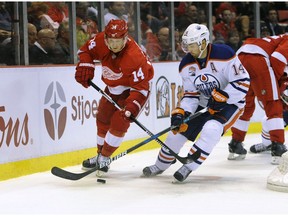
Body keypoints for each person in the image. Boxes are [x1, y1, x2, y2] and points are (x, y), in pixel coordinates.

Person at [142, 23, 250, 182]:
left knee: (211, 129)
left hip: (231, 103)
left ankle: (188, 166)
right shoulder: (186, 64)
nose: (188, 49)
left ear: (204, 42)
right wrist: (183, 112)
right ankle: (160, 165)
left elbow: (243, 81)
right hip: (204, 102)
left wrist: (225, 96)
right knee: (176, 132)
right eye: (186, 45)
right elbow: (191, 95)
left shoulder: (225, 54)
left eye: (191, 45)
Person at [75, 19, 154, 175]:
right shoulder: (99, 40)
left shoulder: (134, 57)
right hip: (114, 85)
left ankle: (104, 158)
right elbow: (85, 51)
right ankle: (99, 155)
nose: (114, 45)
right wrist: (86, 63)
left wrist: (131, 107)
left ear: (125, 38)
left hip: (136, 87)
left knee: (121, 119)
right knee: (103, 117)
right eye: (111, 41)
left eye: (118, 41)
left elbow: (140, 89)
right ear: (106, 38)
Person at [228, 34, 288, 164]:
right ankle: (278, 147)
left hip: (240, 57)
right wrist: (276, 84)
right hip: (256, 59)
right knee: (273, 103)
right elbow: (278, 58)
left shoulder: (279, 38)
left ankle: (235, 144)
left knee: (245, 105)